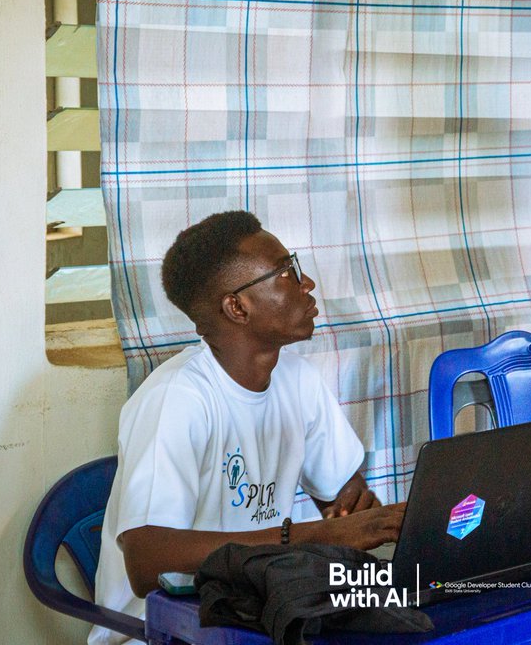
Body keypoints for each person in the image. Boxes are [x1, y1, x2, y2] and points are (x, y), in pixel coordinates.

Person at [90, 211, 405, 645]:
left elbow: (345, 501)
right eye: (287, 273)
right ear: (237, 306)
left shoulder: (298, 380)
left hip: (250, 616)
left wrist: (383, 525)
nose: (307, 283)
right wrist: (313, 536)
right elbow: (147, 562)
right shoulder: (176, 399)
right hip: (162, 631)